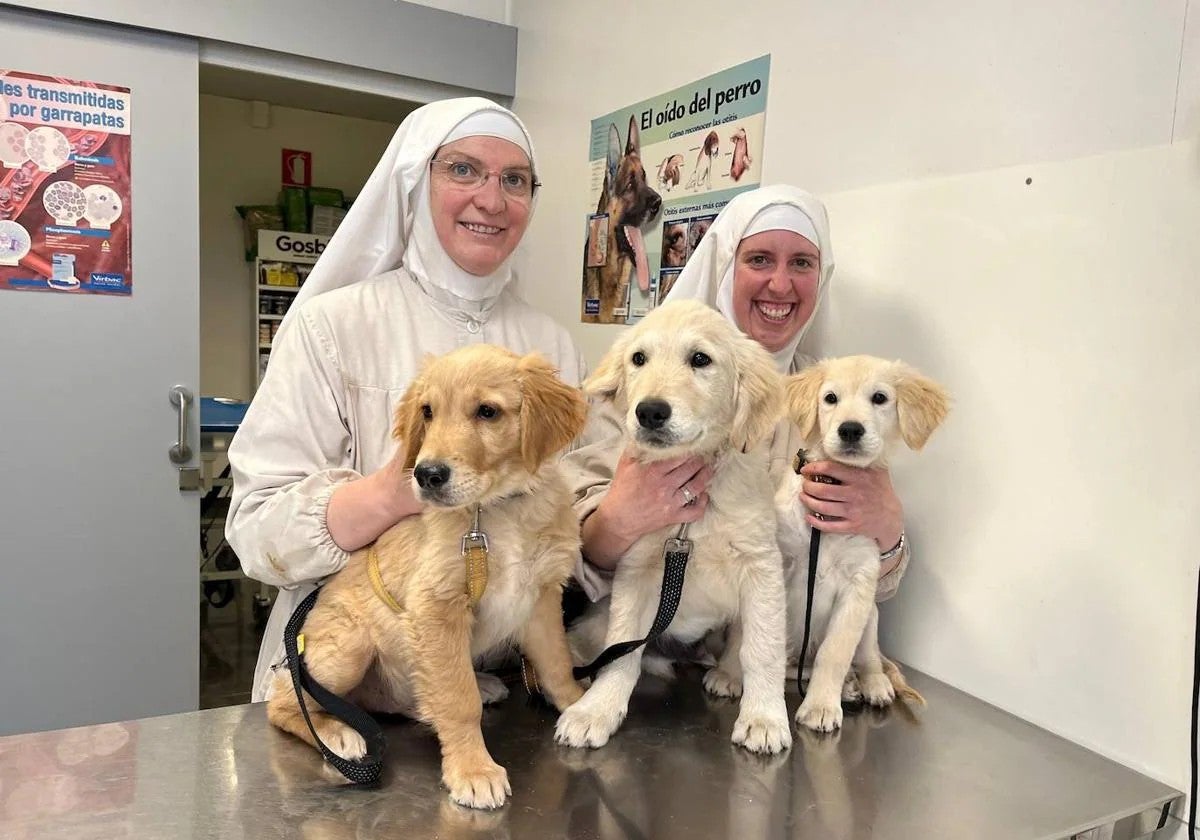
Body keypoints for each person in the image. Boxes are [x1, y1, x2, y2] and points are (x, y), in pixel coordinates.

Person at [226, 98, 585, 703]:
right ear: (415, 181)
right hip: (351, 675)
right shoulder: (331, 325)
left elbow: (578, 503)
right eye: (463, 169)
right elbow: (256, 529)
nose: (492, 200)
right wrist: (388, 495)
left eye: (514, 180)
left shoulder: (551, 344)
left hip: (487, 686)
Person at [566, 184, 909, 605]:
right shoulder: (642, 383)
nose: (780, 285)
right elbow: (560, 558)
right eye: (759, 259)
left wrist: (888, 528)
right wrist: (616, 523)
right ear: (726, 268)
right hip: (646, 643)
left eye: (801, 263)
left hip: (767, 656)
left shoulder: (832, 399)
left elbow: (863, 583)